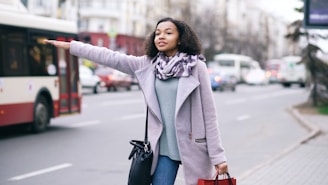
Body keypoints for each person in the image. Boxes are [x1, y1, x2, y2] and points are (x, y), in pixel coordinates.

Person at [46, 17, 228, 185]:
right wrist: (72, 47)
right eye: (157, 33)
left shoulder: (196, 67)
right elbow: (110, 57)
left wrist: (218, 157)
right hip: (163, 149)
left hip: (193, 147)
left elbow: (209, 116)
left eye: (168, 32)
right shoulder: (147, 65)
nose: (161, 37)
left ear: (180, 39)